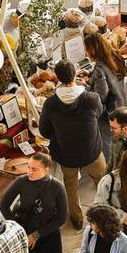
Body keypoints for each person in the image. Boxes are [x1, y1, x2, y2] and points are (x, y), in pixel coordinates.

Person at [40, 60, 106, 231]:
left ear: (58, 79)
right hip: (92, 152)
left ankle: (77, 219)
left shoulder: (51, 104)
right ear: (75, 73)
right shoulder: (92, 98)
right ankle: (106, 213)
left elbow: (44, 132)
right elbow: (99, 114)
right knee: (103, 182)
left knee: (71, 187)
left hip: (67, 155)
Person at [0, 152, 69, 253]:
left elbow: (61, 218)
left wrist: (36, 235)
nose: (29, 172)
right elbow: (4, 206)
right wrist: (21, 232)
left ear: (47, 170)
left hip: (50, 235)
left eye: (34, 169)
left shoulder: (57, 187)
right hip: (27, 235)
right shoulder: (21, 182)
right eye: (28, 167)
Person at [83, 31, 127, 123]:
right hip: (122, 101)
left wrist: (84, 85)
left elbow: (100, 96)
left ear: (93, 51)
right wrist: (90, 73)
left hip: (111, 112)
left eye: (86, 49)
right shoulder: (113, 54)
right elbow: (109, 73)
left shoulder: (100, 69)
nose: (86, 52)